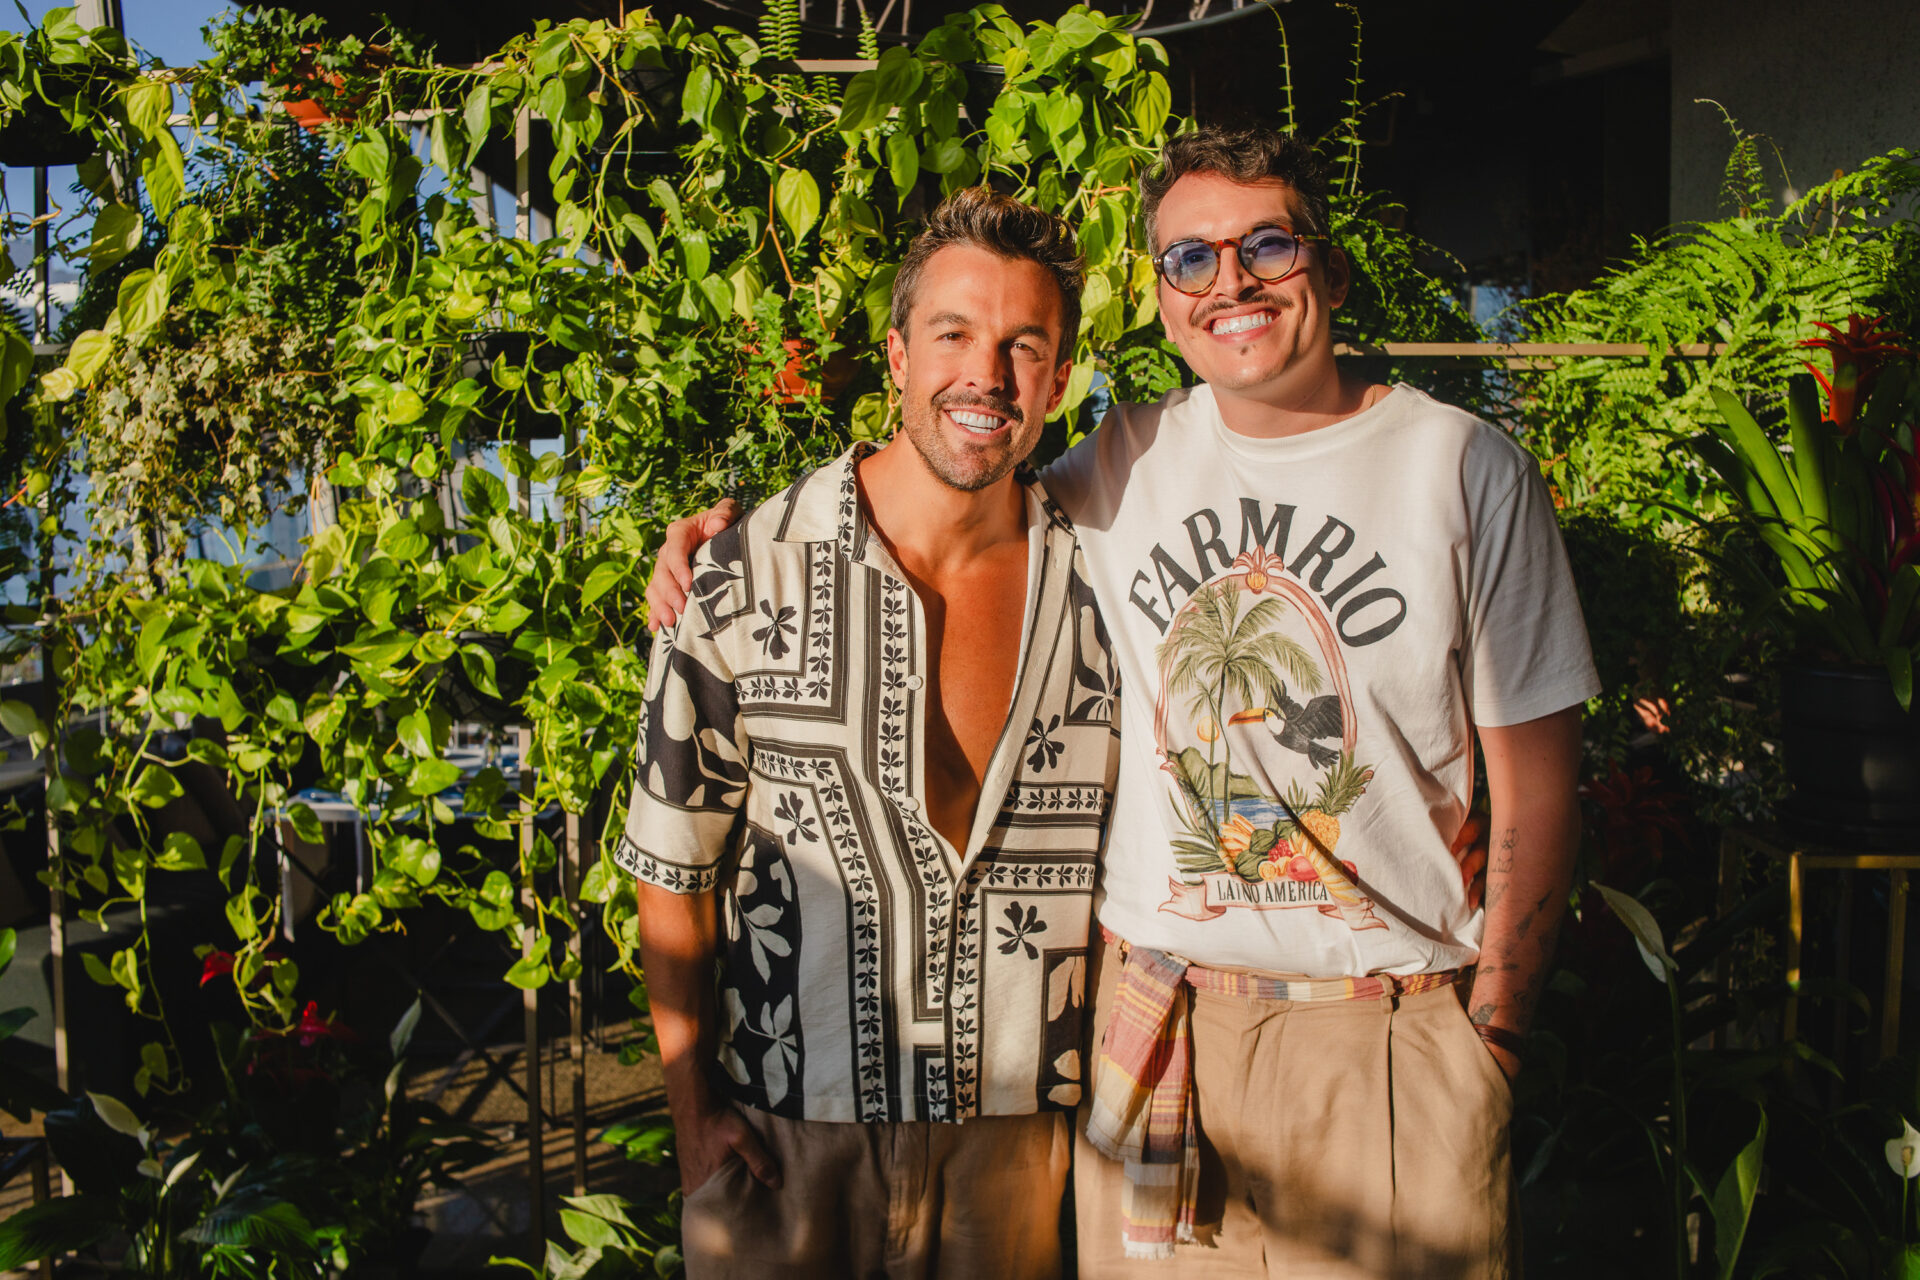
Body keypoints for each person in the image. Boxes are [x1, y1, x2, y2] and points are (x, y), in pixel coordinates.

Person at [649, 124, 1593, 1279]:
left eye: (1268, 245)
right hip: (1152, 1034)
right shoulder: (1119, 464)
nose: (1230, 281)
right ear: (1161, 295)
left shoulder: (1455, 469)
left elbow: (1540, 791)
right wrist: (720, 546)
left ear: (1331, 269)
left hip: (1375, 1038)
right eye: (1191, 256)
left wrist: (1489, 1042)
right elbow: (934, 490)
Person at [615, 188, 1121, 1280]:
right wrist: (691, 1114)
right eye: (954, 335)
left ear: (1060, 381)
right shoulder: (745, 572)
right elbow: (670, 861)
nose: (987, 376)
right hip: (781, 1137)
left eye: (1024, 347)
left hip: (1013, 1142)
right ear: (897, 356)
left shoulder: (1106, 585)